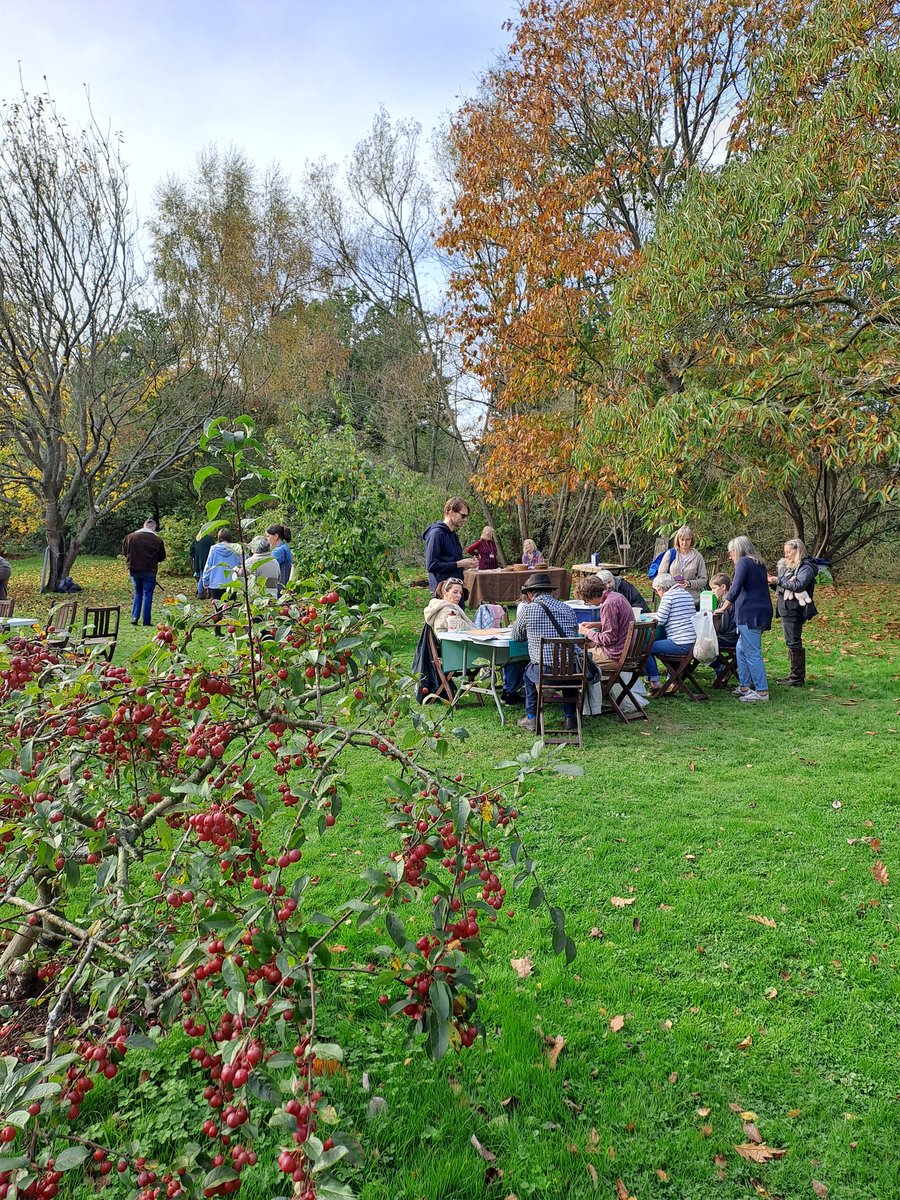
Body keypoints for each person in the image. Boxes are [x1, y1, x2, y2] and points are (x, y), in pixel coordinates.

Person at [509, 571, 579, 733]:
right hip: (573, 671)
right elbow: (574, 634)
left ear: (531, 594)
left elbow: (516, 637)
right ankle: (569, 717)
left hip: (544, 672)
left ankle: (532, 718)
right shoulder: (567, 608)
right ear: (550, 591)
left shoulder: (529, 610)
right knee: (565, 668)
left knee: (528, 673)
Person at [718, 536, 772, 702]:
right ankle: (744, 686)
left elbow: (735, 587)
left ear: (739, 550)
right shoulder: (758, 563)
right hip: (761, 611)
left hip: (750, 614)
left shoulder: (743, 562)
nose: (730, 556)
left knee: (751, 652)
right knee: (741, 649)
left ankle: (762, 691)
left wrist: (724, 607)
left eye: (731, 552)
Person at [768, 537, 818, 687]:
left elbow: (798, 585)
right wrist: (773, 583)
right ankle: (794, 675)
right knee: (790, 641)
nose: (786, 555)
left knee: (793, 641)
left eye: (789, 552)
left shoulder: (806, 568)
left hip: (794, 609)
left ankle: (796, 678)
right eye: (785, 552)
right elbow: (785, 587)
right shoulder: (792, 567)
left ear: (798, 550)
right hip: (787, 608)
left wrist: (778, 580)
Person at [644, 574, 697, 693]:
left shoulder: (668, 596)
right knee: (662, 641)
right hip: (692, 642)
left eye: (657, 590)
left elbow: (660, 620)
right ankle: (672, 679)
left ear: (662, 588)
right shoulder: (686, 594)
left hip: (680, 644)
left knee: (646, 647)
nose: (658, 593)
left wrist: (648, 618)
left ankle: (655, 683)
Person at [576, 575, 634, 670]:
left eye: (586, 601)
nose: (588, 604)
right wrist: (597, 625)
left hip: (616, 655)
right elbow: (617, 625)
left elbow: (608, 639)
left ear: (591, 596)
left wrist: (586, 632)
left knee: (576, 659)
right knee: (583, 647)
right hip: (626, 650)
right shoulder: (617, 596)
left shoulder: (608, 605)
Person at [423, 499, 477, 594]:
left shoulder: (453, 535)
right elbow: (431, 565)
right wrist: (459, 564)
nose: (465, 519)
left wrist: (467, 565)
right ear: (450, 511)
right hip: (442, 592)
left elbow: (452, 561)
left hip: (456, 590)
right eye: (463, 516)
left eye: (466, 516)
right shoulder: (436, 534)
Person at [122, 518, 166, 627]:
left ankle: (134, 617)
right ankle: (146, 620)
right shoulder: (157, 540)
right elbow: (162, 556)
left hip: (134, 569)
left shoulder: (130, 537)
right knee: (147, 594)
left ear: (144, 525)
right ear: (154, 527)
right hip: (150, 570)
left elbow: (125, 552)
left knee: (138, 592)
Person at [201, 529, 242, 636]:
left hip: (216, 583)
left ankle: (217, 630)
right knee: (231, 608)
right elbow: (241, 564)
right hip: (232, 584)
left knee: (218, 608)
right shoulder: (237, 549)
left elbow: (208, 566)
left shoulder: (213, 549)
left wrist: (205, 580)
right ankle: (232, 631)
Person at [658, 526, 708, 602]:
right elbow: (661, 575)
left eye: (688, 540)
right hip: (672, 599)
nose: (684, 543)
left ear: (692, 540)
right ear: (678, 540)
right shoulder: (670, 554)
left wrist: (689, 583)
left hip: (691, 600)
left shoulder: (698, 557)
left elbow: (704, 580)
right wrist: (672, 583)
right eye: (682, 539)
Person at [708, 571, 739, 686]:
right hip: (735, 637)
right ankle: (723, 667)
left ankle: (720, 667)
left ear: (723, 587)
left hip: (729, 639)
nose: (712, 592)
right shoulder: (732, 601)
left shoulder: (727, 604)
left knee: (700, 645)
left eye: (714, 588)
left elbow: (722, 628)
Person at [266, 525, 293, 593]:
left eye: (268, 536)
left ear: (276, 536)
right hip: (285, 585)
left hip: (279, 587)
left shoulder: (278, 551)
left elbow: (269, 569)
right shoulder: (285, 547)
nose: (267, 539)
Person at [190, 531, 215, 596]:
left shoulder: (197, 538)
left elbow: (191, 550)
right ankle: (205, 592)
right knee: (208, 576)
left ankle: (200, 592)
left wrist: (195, 557)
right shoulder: (210, 539)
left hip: (199, 561)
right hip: (208, 560)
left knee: (201, 576)